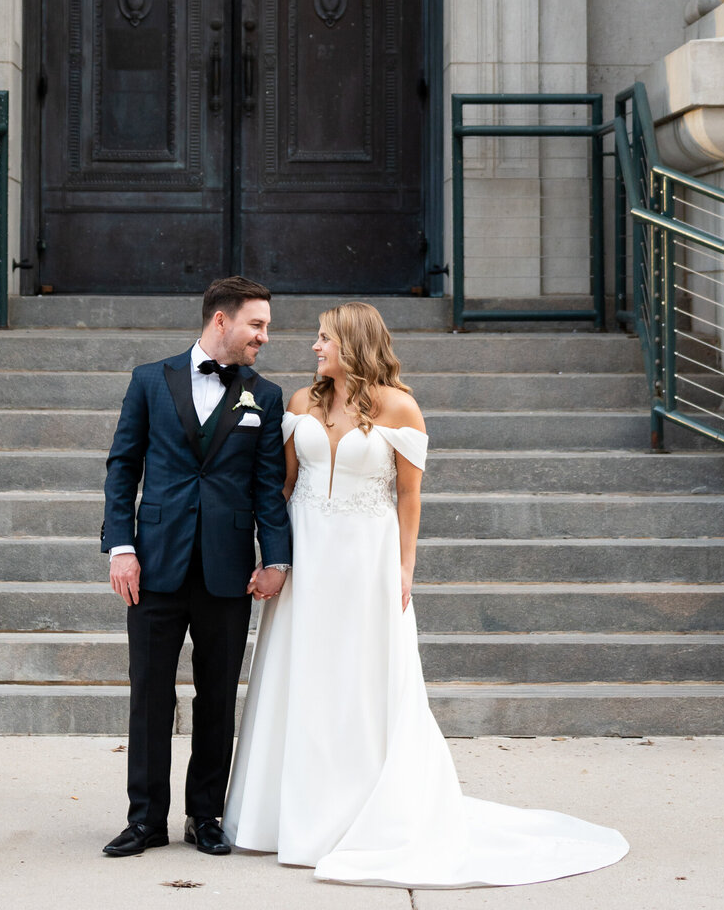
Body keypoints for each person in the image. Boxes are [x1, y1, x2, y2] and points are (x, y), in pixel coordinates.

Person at [223, 300, 629, 889]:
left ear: (354, 344)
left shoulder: (400, 407)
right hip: (309, 556)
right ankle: (287, 816)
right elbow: (283, 486)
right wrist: (272, 558)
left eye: (324, 339)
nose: (314, 347)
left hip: (368, 559)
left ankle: (362, 811)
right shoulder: (300, 403)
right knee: (300, 672)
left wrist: (406, 568)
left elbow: (409, 499)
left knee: (362, 679)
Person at [100, 275, 292, 860]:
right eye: (256, 324)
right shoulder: (148, 382)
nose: (264, 335)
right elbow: (122, 467)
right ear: (220, 321)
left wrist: (276, 557)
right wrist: (121, 547)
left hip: (227, 570)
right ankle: (145, 820)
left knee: (217, 698)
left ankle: (204, 815)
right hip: (154, 565)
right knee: (150, 694)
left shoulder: (267, 393)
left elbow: (267, 487)